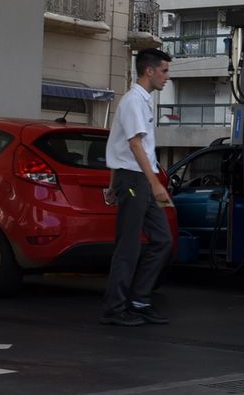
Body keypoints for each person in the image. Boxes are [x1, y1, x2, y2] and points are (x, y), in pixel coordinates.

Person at [100, 48, 174, 327]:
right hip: (134, 181)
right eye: (164, 71)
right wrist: (155, 185)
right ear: (149, 71)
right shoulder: (133, 101)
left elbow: (116, 143)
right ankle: (115, 309)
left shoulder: (142, 102)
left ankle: (140, 301)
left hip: (135, 179)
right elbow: (133, 144)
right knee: (128, 247)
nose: (167, 77)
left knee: (163, 240)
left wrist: (111, 184)